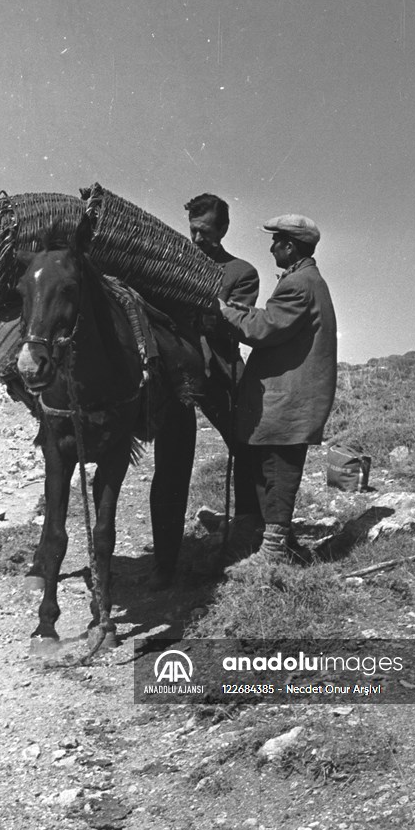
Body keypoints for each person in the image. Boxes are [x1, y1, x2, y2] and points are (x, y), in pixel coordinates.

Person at [147, 195, 259, 584]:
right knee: (170, 466)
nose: (197, 239)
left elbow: (234, 326)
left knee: (249, 451)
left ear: (223, 229)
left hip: (221, 377)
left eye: (206, 232)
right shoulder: (170, 265)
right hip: (177, 379)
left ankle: (247, 538)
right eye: (192, 230)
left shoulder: (242, 273)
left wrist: (206, 306)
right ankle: (165, 564)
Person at [218, 214, 337, 568]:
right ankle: (271, 540)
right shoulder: (304, 280)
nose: (271, 248)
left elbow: (266, 328)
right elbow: (272, 317)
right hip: (288, 398)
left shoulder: (298, 284)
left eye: (276, 242)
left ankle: (273, 552)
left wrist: (224, 311)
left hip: (289, 400)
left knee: (278, 470)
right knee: (267, 466)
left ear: (290, 245)